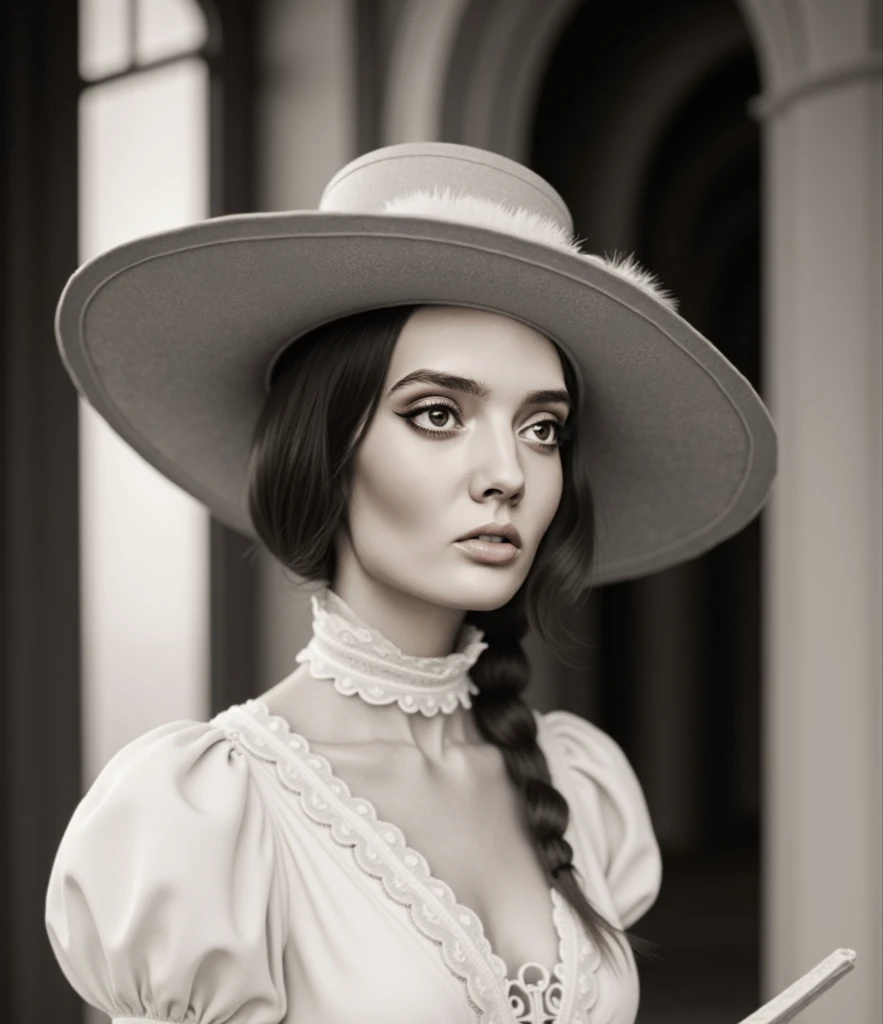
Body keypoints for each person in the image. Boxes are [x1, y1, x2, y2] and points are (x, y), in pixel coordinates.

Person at [45, 142, 778, 1024]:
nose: (506, 471)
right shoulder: (203, 816)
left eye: (542, 429)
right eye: (438, 414)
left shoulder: (579, 786)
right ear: (325, 452)